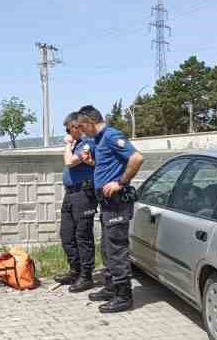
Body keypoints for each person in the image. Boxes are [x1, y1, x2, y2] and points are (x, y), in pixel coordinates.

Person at [77, 105, 144, 313]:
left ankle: (124, 297)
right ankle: (111, 287)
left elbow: (137, 158)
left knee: (116, 248)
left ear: (89, 121)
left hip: (117, 202)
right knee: (106, 247)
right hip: (106, 203)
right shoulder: (98, 140)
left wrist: (120, 182)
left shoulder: (111, 135)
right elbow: (107, 165)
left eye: (81, 126)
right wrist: (91, 162)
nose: (81, 130)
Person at [53, 112, 98, 293]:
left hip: (83, 194)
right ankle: (75, 270)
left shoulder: (88, 142)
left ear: (76, 126)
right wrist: (71, 144)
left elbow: (70, 162)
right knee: (67, 234)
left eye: (69, 128)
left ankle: (86, 276)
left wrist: (68, 145)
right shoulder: (77, 144)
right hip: (70, 194)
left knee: (83, 236)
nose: (68, 132)